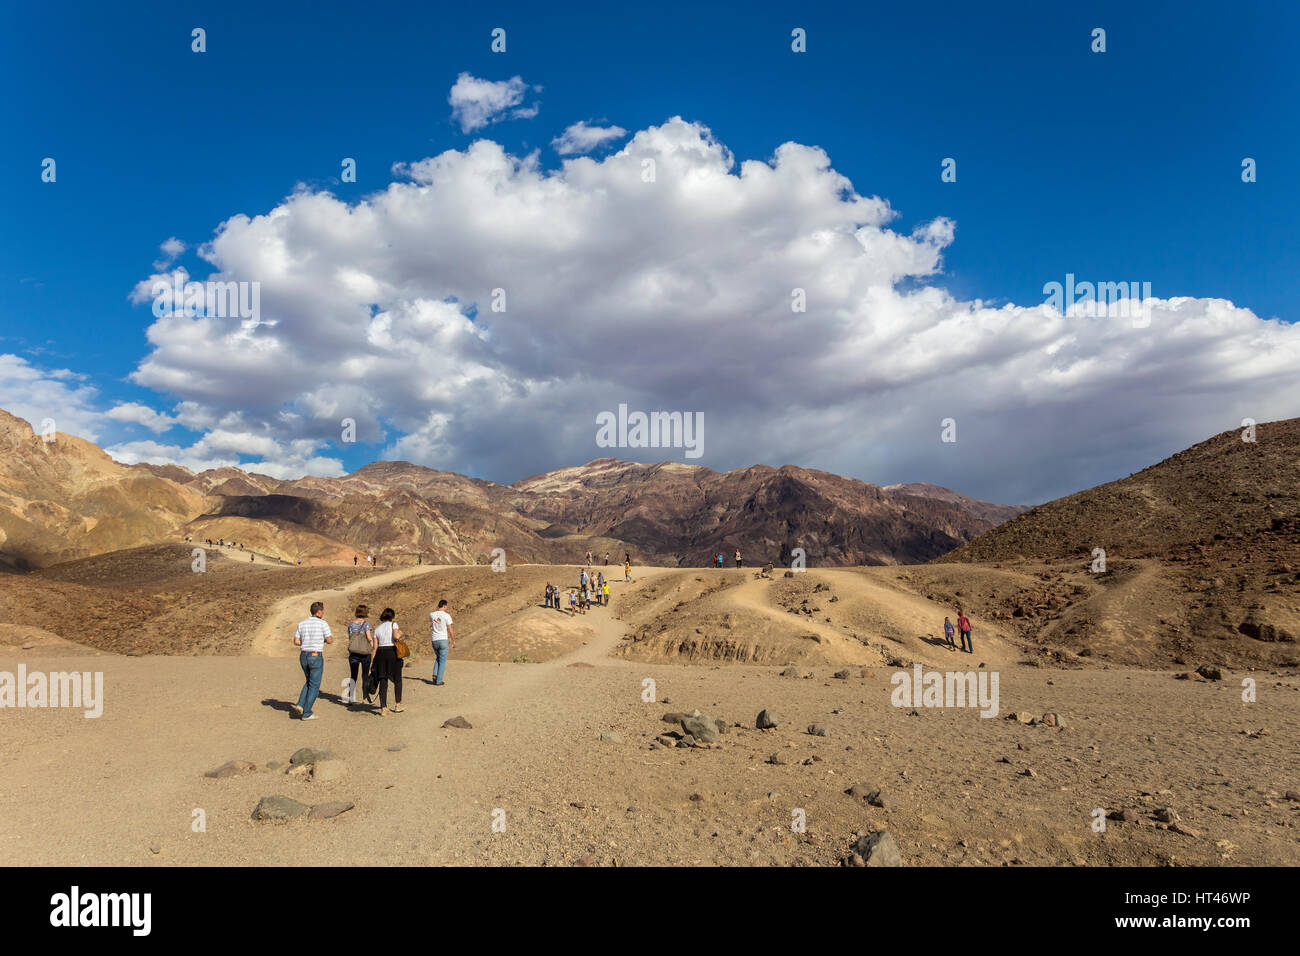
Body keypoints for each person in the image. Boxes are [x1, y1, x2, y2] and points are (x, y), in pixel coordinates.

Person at [290, 601, 332, 720]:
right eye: (322, 610)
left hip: (303, 655)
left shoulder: (302, 623)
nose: (323, 613)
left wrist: (307, 642)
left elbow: (296, 641)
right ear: (319, 612)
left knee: (309, 681)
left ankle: (300, 704)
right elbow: (329, 640)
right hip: (315, 655)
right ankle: (307, 713)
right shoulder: (323, 624)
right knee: (314, 685)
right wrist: (321, 640)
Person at [372, 608, 404, 715]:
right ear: (392, 616)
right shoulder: (393, 625)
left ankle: (383, 708)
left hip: (380, 653)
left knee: (383, 679)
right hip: (392, 652)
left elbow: (374, 647)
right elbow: (396, 636)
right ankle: (398, 704)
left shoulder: (377, 629)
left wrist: (373, 661)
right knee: (397, 679)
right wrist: (400, 633)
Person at [346, 605, 376, 704]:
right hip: (364, 653)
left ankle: (351, 698)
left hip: (353, 653)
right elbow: (368, 637)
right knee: (365, 676)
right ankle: (365, 698)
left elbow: (350, 637)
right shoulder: (366, 624)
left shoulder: (351, 624)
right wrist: (373, 647)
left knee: (353, 676)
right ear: (365, 613)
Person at [429, 599, 454, 685]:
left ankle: (435, 674)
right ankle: (439, 681)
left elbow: (435, 620)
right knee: (442, 660)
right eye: (446, 606)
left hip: (434, 639)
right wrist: (453, 640)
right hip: (443, 639)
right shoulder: (447, 616)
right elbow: (450, 629)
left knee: (438, 657)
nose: (447, 608)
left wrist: (437, 609)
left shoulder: (432, 614)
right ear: (444, 606)